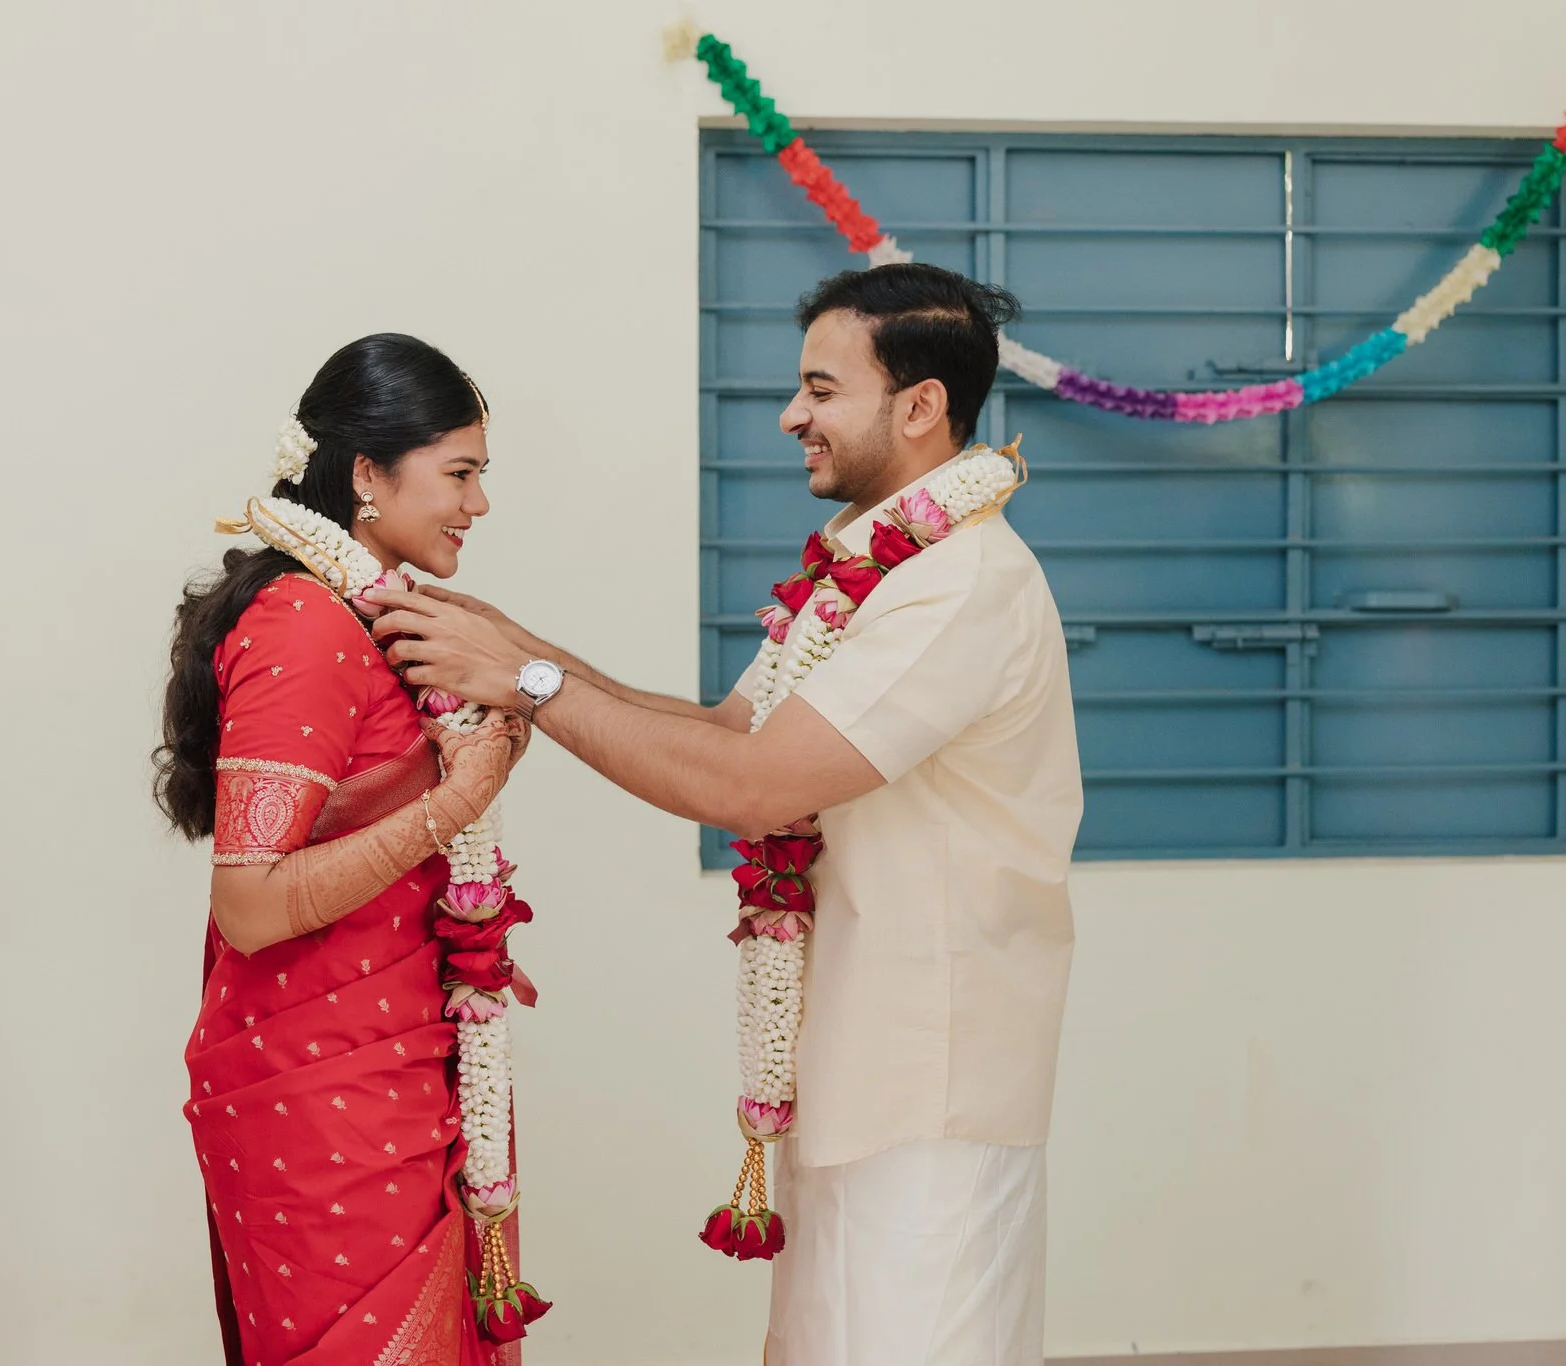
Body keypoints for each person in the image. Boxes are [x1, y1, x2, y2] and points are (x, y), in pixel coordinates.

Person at [368, 263, 1083, 1366]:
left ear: (920, 405)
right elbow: (729, 730)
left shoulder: (959, 583)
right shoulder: (864, 576)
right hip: (848, 1070)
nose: (791, 414)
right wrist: (520, 647)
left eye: (819, 387)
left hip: (927, 1091)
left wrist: (523, 682)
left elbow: (749, 788)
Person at [153, 333, 535, 1366]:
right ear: (366, 473)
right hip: (318, 1102)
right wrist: (451, 806)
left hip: (388, 1070)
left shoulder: (381, 615)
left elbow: (526, 690)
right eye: (459, 473)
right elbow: (252, 902)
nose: (477, 504)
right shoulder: (306, 626)